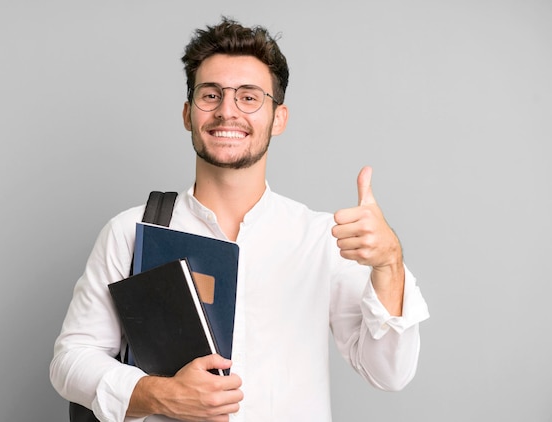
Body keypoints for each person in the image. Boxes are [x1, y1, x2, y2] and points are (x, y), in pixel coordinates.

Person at [50, 17, 429, 422]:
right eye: (211, 95)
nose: (227, 111)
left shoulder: (322, 240)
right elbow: (71, 361)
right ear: (187, 113)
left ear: (278, 118)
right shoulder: (132, 232)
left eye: (249, 97)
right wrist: (157, 394)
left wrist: (389, 265)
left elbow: (390, 373)